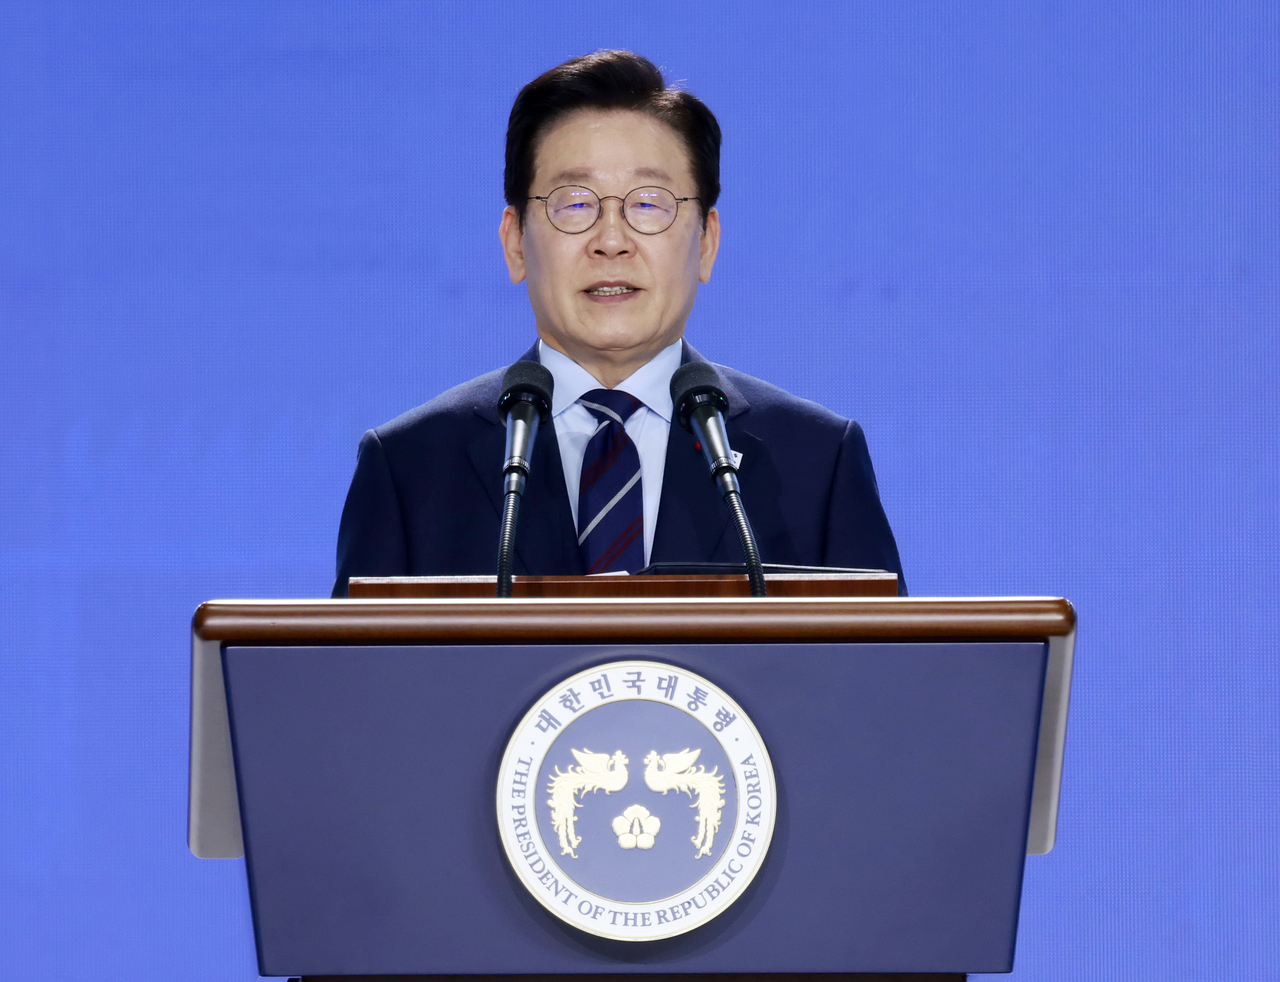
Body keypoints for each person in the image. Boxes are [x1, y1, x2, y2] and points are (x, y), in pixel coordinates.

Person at [332, 50, 904, 596]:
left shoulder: (816, 460)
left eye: (649, 203)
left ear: (706, 243)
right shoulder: (409, 469)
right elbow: (359, 692)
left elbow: (884, 688)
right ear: (514, 243)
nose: (611, 241)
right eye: (575, 203)